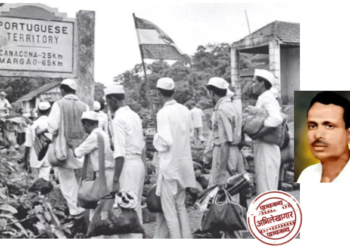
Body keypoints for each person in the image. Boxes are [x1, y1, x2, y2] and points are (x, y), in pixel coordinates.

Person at [37, 79, 88, 218]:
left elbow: (53, 127)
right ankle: (83, 204)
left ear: (62, 91)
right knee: (80, 178)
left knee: (66, 178)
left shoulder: (58, 104)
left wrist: (43, 130)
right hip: (82, 146)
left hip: (63, 148)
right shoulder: (84, 106)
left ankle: (74, 208)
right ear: (75, 91)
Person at [152, 77, 196, 239]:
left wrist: (155, 138)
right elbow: (190, 133)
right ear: (173, 92)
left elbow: (166, 141)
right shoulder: (184, 109)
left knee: (170, 211)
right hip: (183, 165)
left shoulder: (163, 113)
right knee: (180, 206)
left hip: (169, 167)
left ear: (158, 93)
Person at [104, 84, 146, 239]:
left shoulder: (118, 119)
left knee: (126, 210)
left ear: (113, 99)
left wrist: (115, 179)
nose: (108, 106)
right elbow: (141, 146)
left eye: (108, 102)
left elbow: (119, 153)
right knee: (135, 208)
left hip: (127, 165)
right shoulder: (134, 115)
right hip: (137, 165)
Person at [297, 91, 350, 183]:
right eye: (312, 126)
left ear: (349, 134)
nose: (317, 135)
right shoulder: (306, 175)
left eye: (329, 126)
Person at [73, 111, 115, 222]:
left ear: (87, 124)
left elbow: (78, 152)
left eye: (84, 126)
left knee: (96, 204)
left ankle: (96, 232)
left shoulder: (94, 136)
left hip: (102, 175)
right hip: (111, 172)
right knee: (107, 204)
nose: (84, 129)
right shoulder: (104, 134)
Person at [251, 69, 283, 195]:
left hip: (266, 147)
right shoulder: (265, 97)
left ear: (262, 83)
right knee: (266, 184)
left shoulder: (266, 97)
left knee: (266, 186)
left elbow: (276, 118)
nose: (252, 84)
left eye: (254, 82)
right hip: (266, 147)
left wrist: (259, 132)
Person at [24, 101, 52, 181]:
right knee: (44, 179)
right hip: (48, 156)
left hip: (34, 157)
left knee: (36, 180)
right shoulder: (52, 125)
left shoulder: (32, 125)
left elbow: (28, 145)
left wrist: (25, 160)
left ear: (38, 111)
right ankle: (42, 193)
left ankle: (38, 193)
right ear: (50, 111)